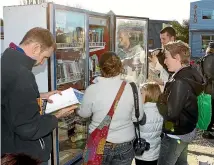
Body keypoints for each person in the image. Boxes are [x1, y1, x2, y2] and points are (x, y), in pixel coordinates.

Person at [1, 27, 77, 164]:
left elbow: (10, 98)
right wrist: (57, 115)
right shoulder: (22, 75)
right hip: (26, 157)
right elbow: (29, 128)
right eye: (45, 57)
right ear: (36, 48)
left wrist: (41, 95)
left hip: (9, 149)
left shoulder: (6, 62)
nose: (42, 62)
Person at [78, 51, 144, 165]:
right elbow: (137, 117)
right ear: (120, 66)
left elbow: (84, 114)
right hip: (124, 145)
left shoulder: (92, 89)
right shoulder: (132, 88)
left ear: (100, 68)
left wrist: (76, 108)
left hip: (97, 143)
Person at [157, 41, 204, 165]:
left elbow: (170, 114)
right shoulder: (189, 73)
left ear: (177, 57)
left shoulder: (180, 81)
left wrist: (159, 99)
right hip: (186, 130)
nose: (165, 61)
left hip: (176, 134)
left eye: (166, 57)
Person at [135, 82, 163, 165]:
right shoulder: (161, 109)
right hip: (155, 151)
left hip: (142, 151)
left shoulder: (142, 111)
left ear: (149, 95)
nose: (139, 95)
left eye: (141, 93)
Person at [201, 41, 214, 139]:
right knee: (212, 110)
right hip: (212, 87)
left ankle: (207, 128)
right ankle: (206, 131)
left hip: (206, 88)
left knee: (207, 110)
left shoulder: (203, 59)